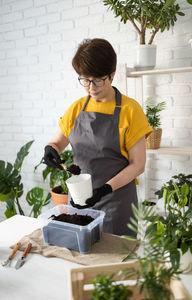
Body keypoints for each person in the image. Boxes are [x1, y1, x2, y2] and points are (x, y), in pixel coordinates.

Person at [44, 38, 152, 236]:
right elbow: (58, 142)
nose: (91, 87)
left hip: (116, 202)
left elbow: (138, 165)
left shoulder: (130, 110)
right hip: (79, 201)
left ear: (112, 75)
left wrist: (104, 190)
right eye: (85, 79)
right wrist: (51, 149)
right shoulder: (77, 108)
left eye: (97, 80)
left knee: (114, 262)